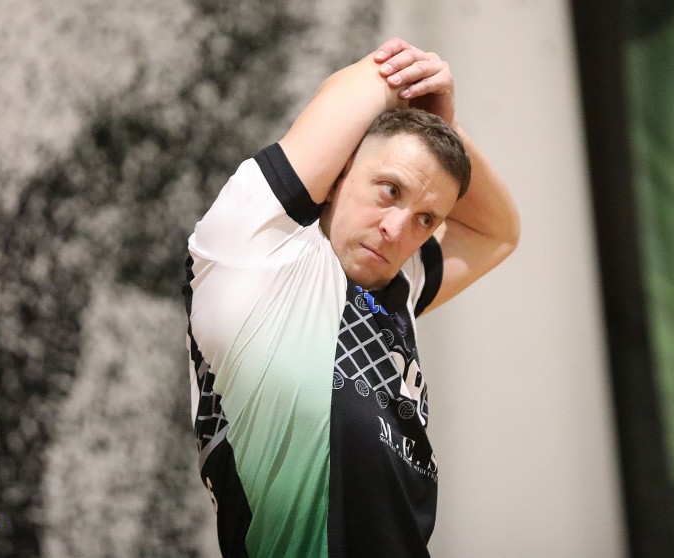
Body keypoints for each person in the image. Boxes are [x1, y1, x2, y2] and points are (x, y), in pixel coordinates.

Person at [183, 37, 520, 557]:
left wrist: (448, 130)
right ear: (338, 174)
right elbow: (366, 84)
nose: (397, 230)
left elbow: (500, 231)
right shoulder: (255, 252)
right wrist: (419, 88)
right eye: (390, 190)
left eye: (425, 219)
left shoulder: (399, 286)